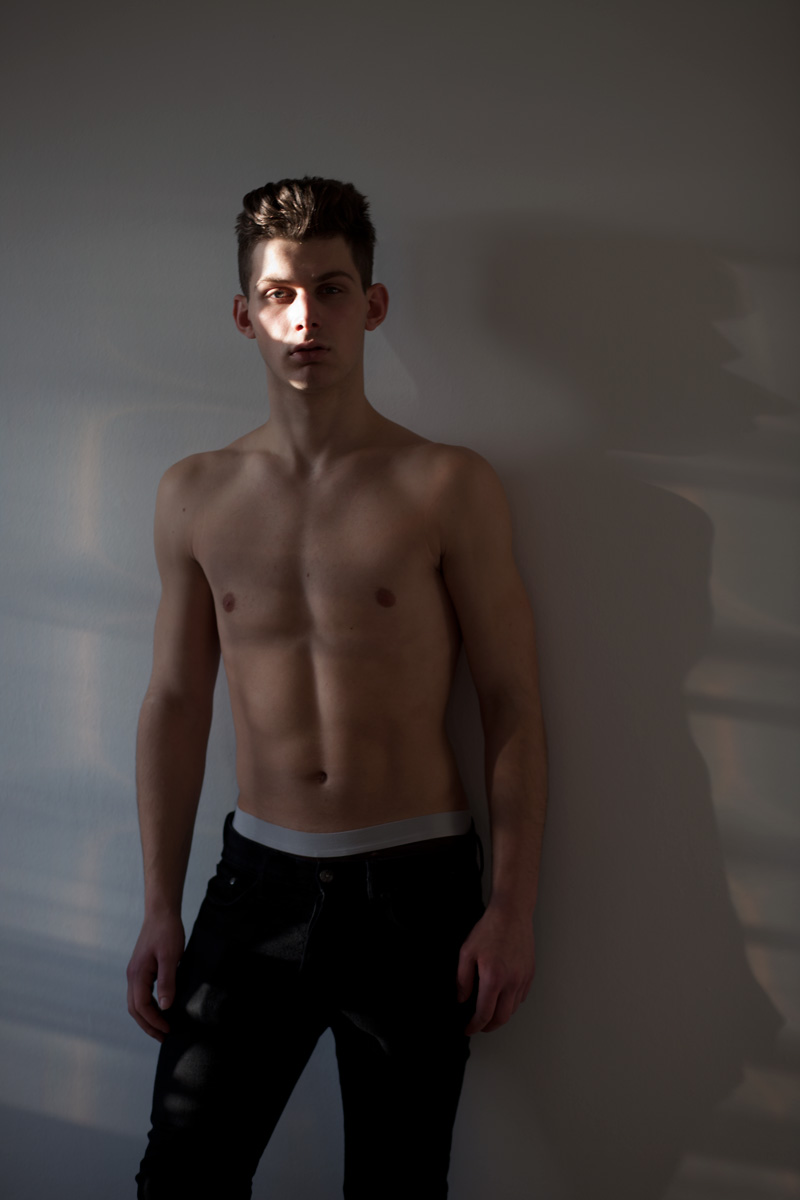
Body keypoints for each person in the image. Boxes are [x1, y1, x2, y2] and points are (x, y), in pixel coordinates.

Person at [127, 176, 548, 1199]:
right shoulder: (194, 493)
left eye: (331, 289)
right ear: (245, 314)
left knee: (397, 1187)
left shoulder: (446, 484)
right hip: (254, 887)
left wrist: (510, 907)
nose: (305, 318)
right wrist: (159, 907)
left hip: (416, 893)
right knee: (181, 1178)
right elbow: (176, 702)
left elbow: (511, 702)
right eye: (279, 294)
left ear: (374, 304)